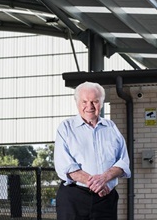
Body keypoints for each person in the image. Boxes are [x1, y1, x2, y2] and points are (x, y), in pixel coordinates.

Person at [54, 81, 131, 220]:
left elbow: (123, 162)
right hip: (74, 199)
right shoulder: (66, 128)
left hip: (106, 199)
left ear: (101, 103)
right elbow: (65, 166)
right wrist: (97, 184)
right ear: (77, 102)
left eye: (94, 101)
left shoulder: (111, 127)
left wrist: (104, 178)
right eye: (84, 101)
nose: (89, 106)